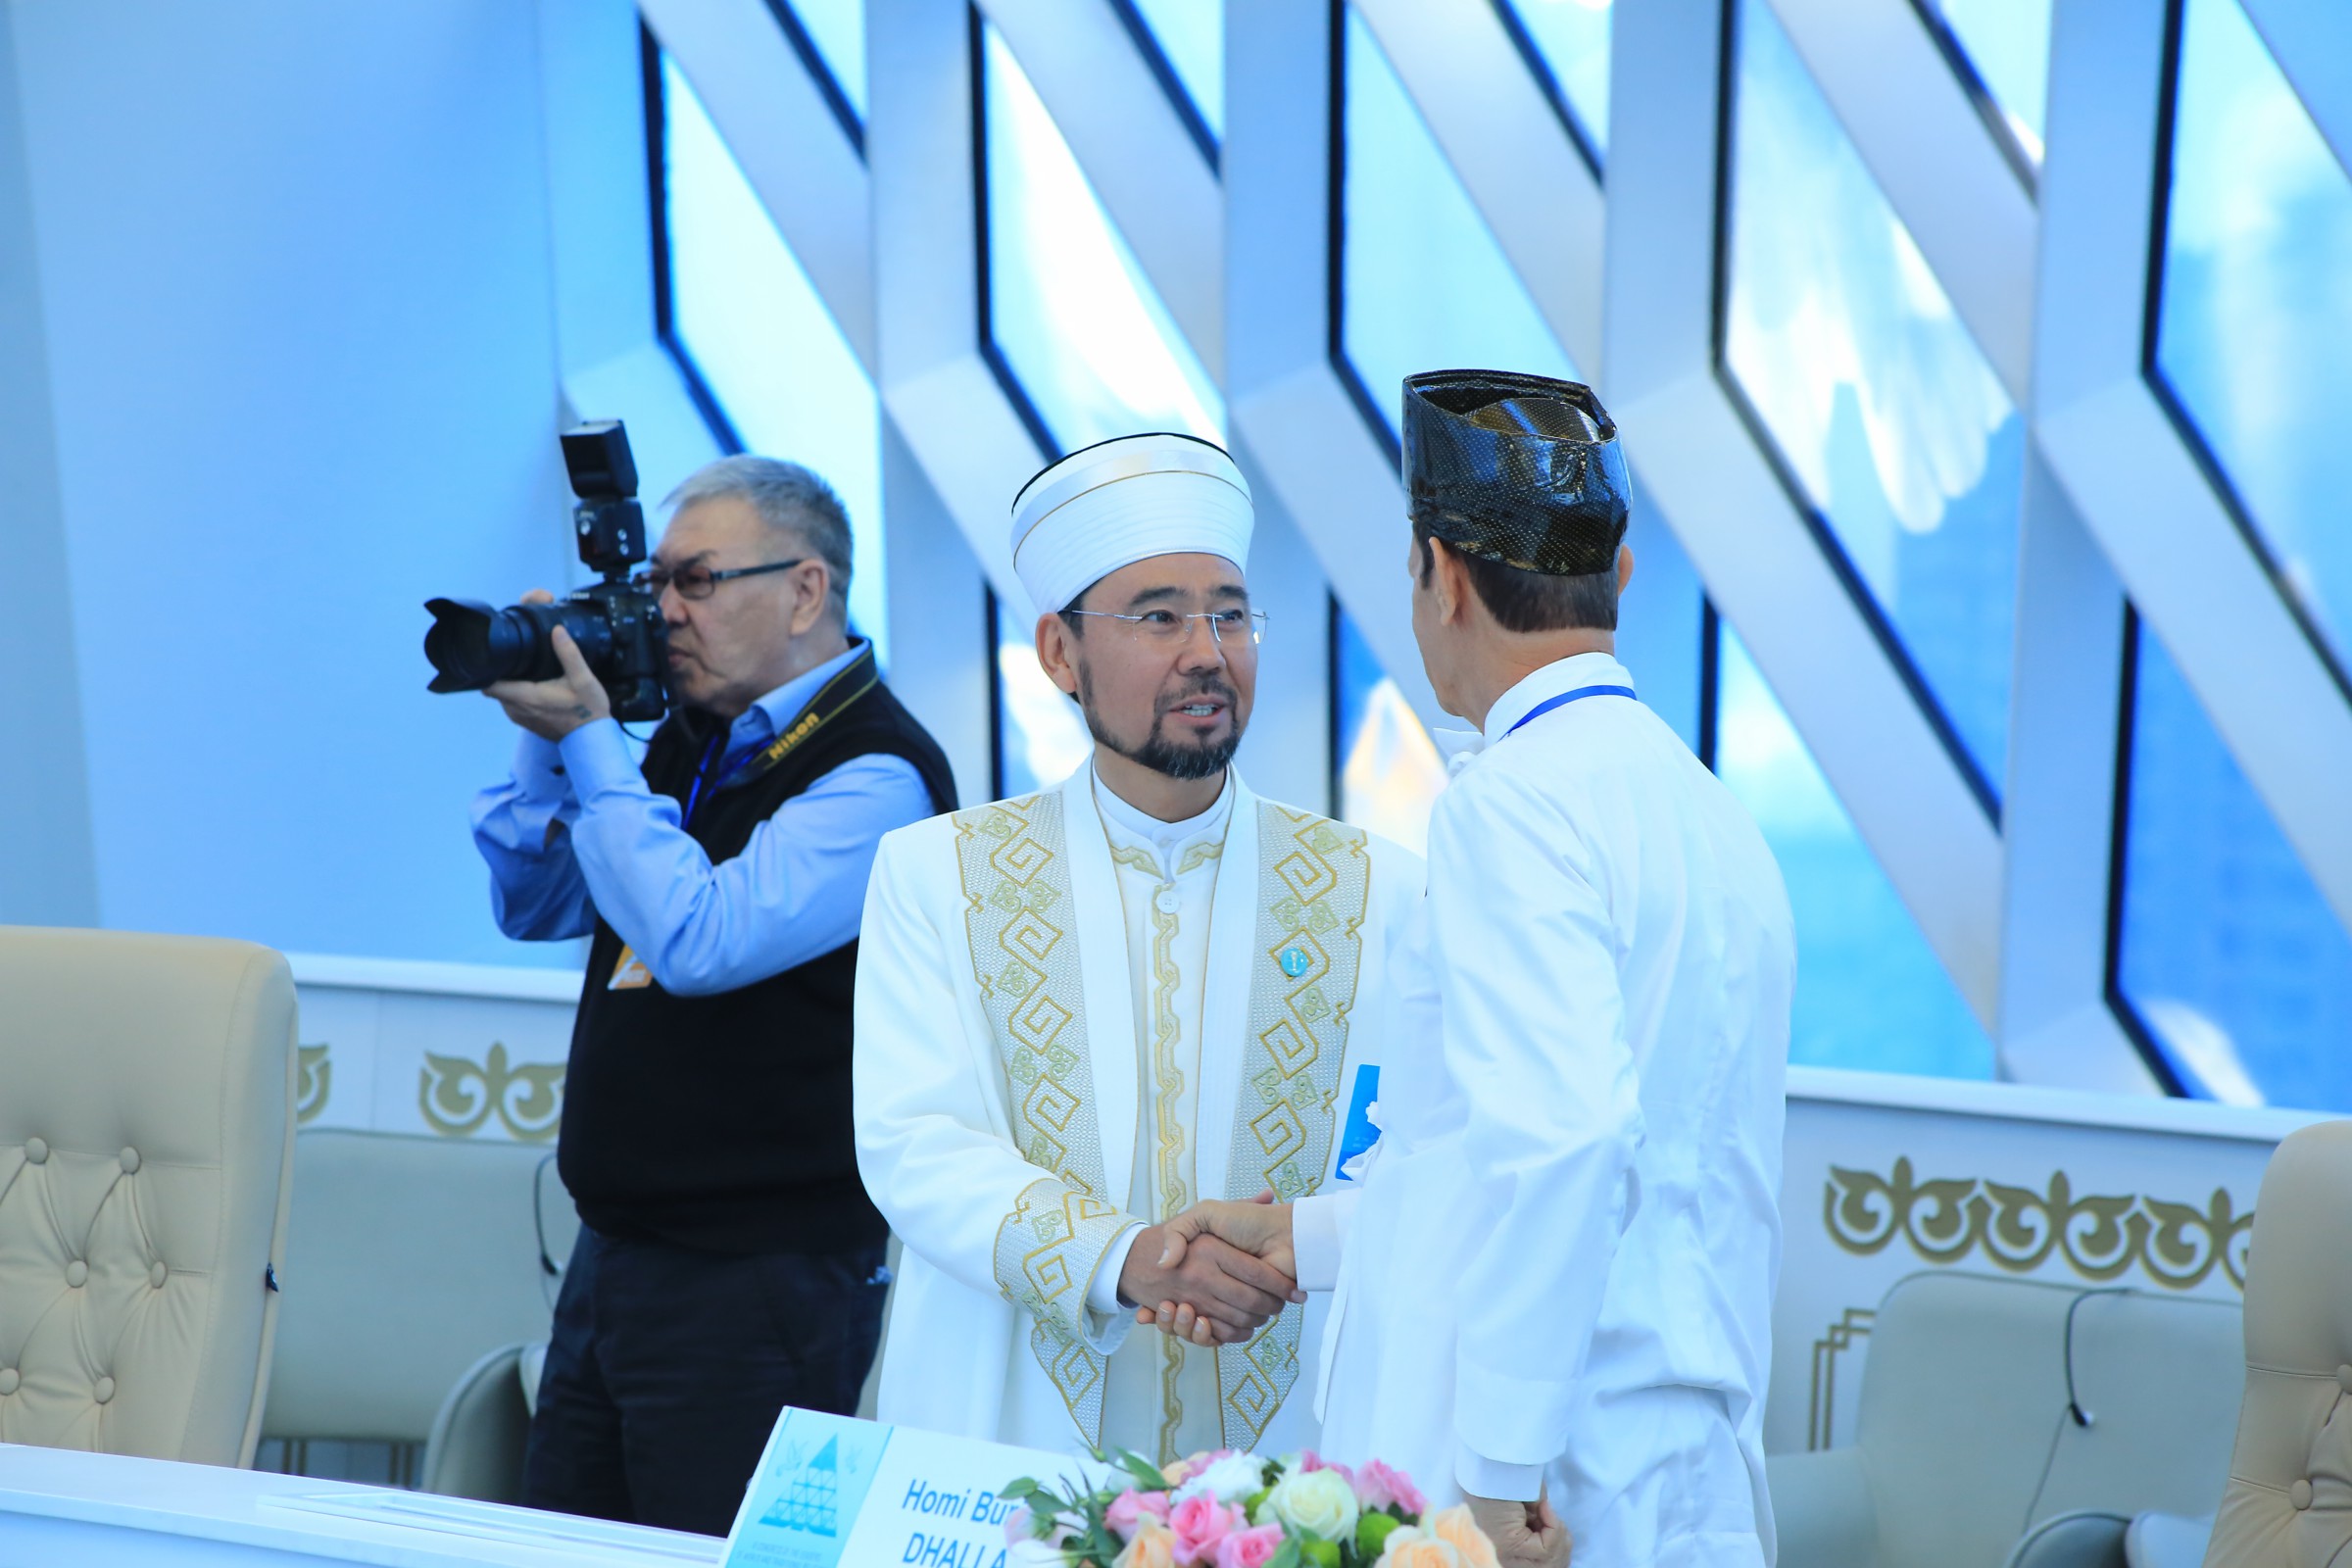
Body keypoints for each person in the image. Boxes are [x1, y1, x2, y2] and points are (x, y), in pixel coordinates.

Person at [1151, 372, 1795, 1568]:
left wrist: (1499, 1470)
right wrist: (1309, 1237)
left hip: (1544, 1478)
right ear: (1621, 575)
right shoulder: (1709, 810)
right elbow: (1546, 1163)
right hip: (1674, 1460)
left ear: (1441, 574)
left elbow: (1567, 1139)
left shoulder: (1513, 803)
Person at [851, 432, 1422, 1463]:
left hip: (1296, 1434)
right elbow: (913, 1141)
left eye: (1230, 615)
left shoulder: (1377, 886)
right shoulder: (939, 873)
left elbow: (1418, 1144)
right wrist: (1124, 1259)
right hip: (1014, 1424)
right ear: (1058, 653)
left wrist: (1295, 1248)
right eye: (1159, 617)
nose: (1207, 651)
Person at [471, 454, 956, 1536]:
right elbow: (537, 903)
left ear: (805, 590)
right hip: (616, 1259)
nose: (666, 612)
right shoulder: (686, 744)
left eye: (696, 580)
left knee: (730, 1558)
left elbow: (701, 938)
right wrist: (549, 744)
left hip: (765, 1283)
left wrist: (593, 742)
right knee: (566, 1551)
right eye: (656, 584)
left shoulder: (878, 773)